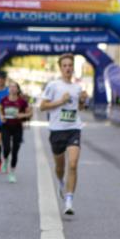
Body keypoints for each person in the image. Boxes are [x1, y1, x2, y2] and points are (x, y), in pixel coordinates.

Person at [39, 54, 87, 215]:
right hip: (57, 130)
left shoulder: (77, 87)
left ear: (73, 68)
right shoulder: (53, 86)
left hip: (74, 128)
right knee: (60, 167)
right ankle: (60, 181)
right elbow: (42, 106)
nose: (68, 68)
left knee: (73, 164)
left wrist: (82, 101)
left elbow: (79, 109)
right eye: (65, 65)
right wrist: (60, 101)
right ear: (60, 68)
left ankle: (69, 199)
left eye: (70, 65)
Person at [0, 81, 32, 183]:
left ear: (17, 89)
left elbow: (30, 113)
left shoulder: (22, 102)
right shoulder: (4, 100)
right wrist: (1, 117)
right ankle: (5, 160)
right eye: (11, 87)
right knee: (7, 147)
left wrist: (22, 115)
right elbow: (0, 109)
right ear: (9, 89)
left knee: (15, 151)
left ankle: (12, 173)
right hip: (6, 127)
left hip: (17, 127)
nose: (12, 88)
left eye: (14, 87)